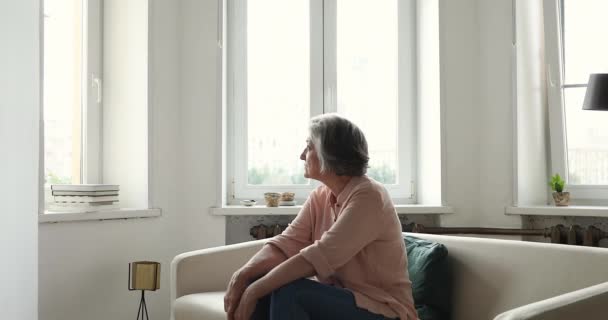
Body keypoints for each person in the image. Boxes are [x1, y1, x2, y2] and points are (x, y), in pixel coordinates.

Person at [224, 114, 418, 320]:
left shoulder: (369, 196)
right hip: (344, 301)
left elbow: (320, 256)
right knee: (266, 285)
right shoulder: (321, 196)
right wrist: (244, 275)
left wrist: (255, 290)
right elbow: (286, 243)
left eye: (308, 147)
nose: (301, 155)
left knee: (288, 291)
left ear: (330, 154)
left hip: (385, 310)